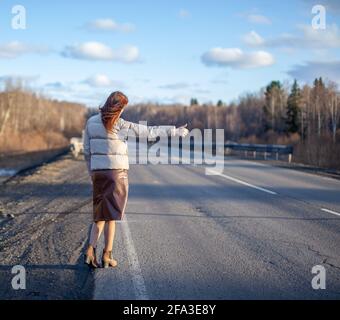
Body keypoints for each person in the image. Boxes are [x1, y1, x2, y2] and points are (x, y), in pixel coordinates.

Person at [83, 91, 189, 268]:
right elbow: (148, 132)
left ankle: (89, 251)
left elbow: (86, 150)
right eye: (123, 107)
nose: (124, 111)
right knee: (112, 216)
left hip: (98, 173)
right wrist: (175, 131)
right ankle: (107, 256)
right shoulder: (121, 124)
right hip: (116, 174)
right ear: (119, 107)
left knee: (100, 215)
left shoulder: (91, 122)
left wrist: (92, 173)